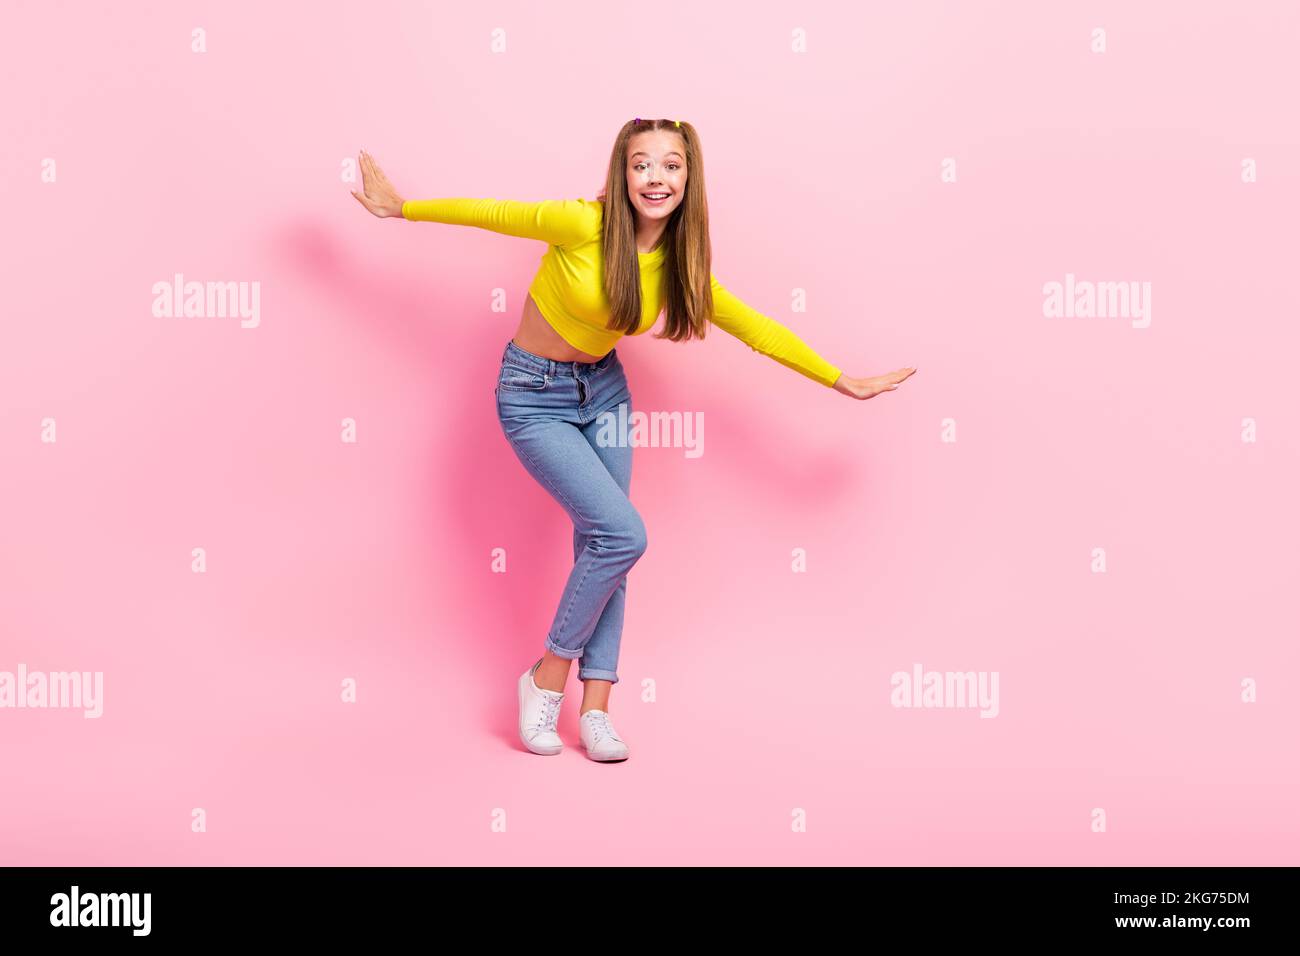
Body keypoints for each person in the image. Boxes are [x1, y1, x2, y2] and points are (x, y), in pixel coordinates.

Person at [351, 118, 916, 762]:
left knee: (607, 545)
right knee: (623, 534)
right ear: (622, 172)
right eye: (642, 164)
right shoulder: (581, 224)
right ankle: (544, 679)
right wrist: (401, 208)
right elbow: (496, 214)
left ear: (688, 179)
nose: (656, 178)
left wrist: (842, 380)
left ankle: (596, 710)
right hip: (534, 397)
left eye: (671, 166)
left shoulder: (678, 268)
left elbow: (756, 328)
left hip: (606, 397)